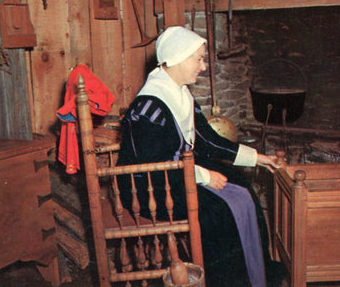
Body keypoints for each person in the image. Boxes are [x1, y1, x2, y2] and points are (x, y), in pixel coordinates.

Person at [116, 26, 285, 287]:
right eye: (199, 59)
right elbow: (152, 165)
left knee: (243, 188)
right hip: (148, 188)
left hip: (178, 173)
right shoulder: (148, 107)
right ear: (177, 59)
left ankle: (257, 276)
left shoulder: (182, 94)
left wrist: (260, 159)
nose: (203, 67)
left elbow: (208, 141)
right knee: (218, 213)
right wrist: (204, 176)